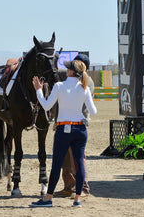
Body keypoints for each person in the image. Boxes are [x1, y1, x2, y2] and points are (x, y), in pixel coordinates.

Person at [30, 59, 97, 208]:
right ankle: (77, 199)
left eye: (68, 69)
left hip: (63, 129)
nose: (66, 70)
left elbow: (47, 105)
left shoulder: (60, 86)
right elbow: (93, 111)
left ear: (71, 72)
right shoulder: (84, 88)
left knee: (56, 164)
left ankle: (48, 198)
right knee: (79, 163)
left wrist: (38, 90)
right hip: (80, 129)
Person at [55, 53, 94, 198]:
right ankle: (69, 187)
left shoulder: (85, 82)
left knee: (78, 159)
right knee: (66, 159)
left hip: (77, 123)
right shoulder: (77, 80)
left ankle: (83, 188)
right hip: (67, 123)